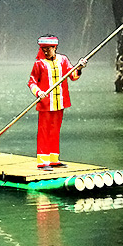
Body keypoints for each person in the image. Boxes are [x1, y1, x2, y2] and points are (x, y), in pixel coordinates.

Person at [27, 35, 86, 169]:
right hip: (46, 103)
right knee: (44, 131)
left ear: (55, 47)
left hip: (60, 102)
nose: (46, 52)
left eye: (48, 49)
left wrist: (80, 67)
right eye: (44, 49)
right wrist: (38, 92)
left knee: (55, 130)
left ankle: (54, 159)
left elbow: (73, 76)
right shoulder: (39, 64)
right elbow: (32, 82)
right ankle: (42, 161)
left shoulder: (63, 60)